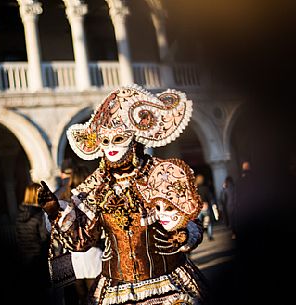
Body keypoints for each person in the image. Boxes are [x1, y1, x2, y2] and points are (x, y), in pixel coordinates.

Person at [39, 84, 208, 305]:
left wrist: (184, 235)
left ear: (134, 140)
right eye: (106, 141)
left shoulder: (161, 175)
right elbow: (81, 241)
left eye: (118, 139)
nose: (111, 147)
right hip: (116, 289)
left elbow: (190, 222)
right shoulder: (97, 186)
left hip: (168, 280)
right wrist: (55, 211)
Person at [57, 164, 104, 305]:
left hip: (74, 257)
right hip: (94, 255)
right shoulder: (95, 199)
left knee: (81, 298)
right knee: (96, 297)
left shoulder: (65, 201)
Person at [14, 182, 50, 304]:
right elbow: (44, 237)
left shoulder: (18, 215)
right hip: (38, 258)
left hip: (23, 257)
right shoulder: (39, 215)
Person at [196, 174, 217, 241]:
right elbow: (210, 197)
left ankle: (198, 236)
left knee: (198, 223)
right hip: (206, 206)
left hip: (199, 208)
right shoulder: (206, 188)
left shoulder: (196, 189)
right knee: (209, 222)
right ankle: (210, 235)